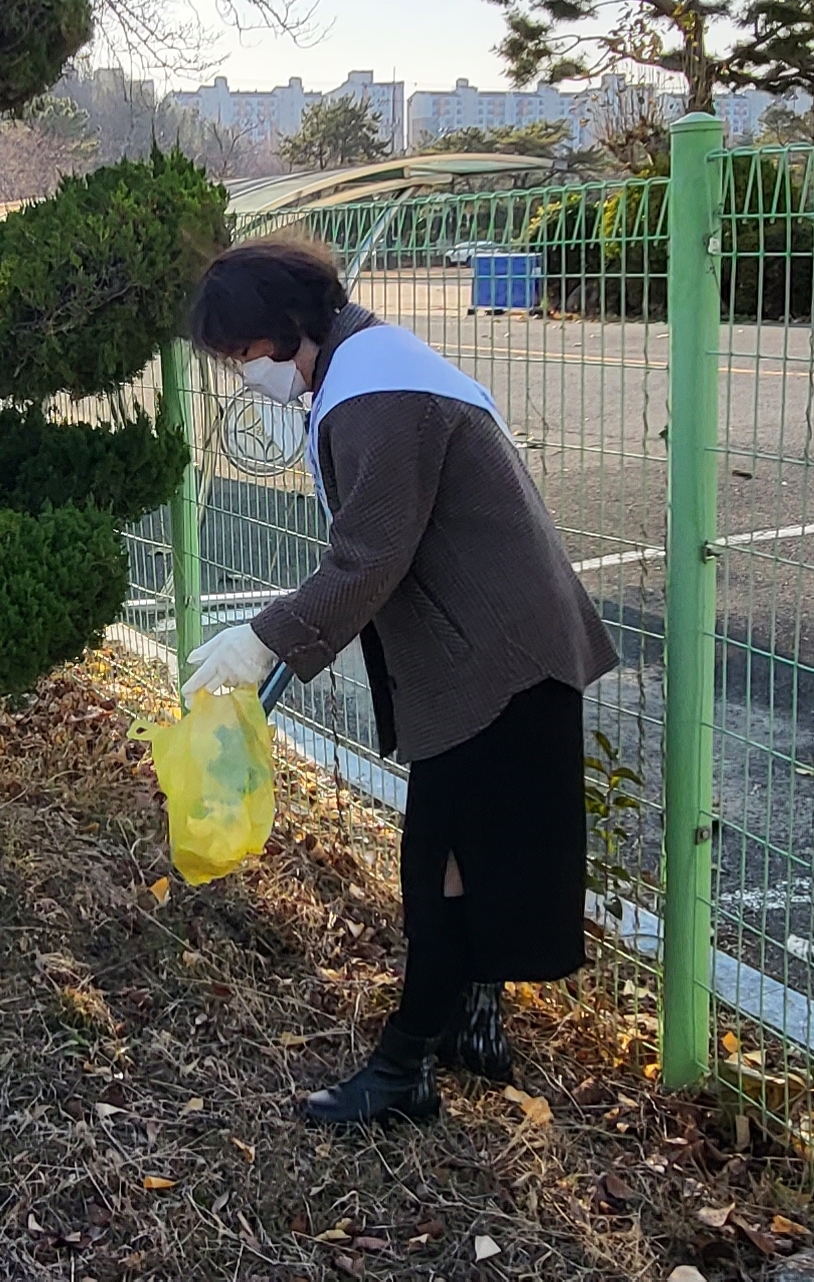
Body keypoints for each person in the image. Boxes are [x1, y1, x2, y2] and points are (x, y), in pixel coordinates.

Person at [180, 238, 617, 1125]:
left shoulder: (375, 390)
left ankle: (404, 1068)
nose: (242, 374)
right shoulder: (365, 363)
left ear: (288, 327)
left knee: (443, 864)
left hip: (497, 658)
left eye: (243, 353)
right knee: (464, 854)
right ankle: (460, 1028)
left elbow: (371, 554)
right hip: (498, 648)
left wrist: (264, 641)